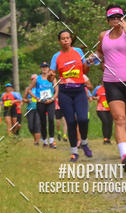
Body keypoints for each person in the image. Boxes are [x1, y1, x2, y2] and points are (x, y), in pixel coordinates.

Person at [95, 6, 126, 172]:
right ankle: (123, 155)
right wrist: (94, 59)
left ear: (123, 18)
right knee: (119, 119)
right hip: (111, 82)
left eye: (119, 17)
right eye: (113, 18)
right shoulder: (104, 36)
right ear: (108, 21)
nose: (116, 20)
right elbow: (99, 54)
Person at [49, 30, 94, 161]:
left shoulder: (78, 52)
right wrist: (51, 76)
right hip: (64, 92)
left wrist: (89, 62)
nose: (66, 40)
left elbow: (85, 69)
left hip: (79, 90)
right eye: (63, 38)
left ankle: (84, 142)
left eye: (68, 38)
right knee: (70, 122)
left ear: (70, 40)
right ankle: (74, 152)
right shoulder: (56, 56)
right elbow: (51, 75)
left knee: (83, 119)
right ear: (59, 41)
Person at [29, 62, 57, 148]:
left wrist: (52, 98)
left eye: (46, 67)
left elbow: (57, 90)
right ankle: (45, 141)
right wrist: (37, 98)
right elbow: (29, 89)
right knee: (43, 121)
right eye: (43, 67)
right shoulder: (37, 79)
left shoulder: (52, 78)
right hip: (41, 102)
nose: (44, 68)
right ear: (41, 68)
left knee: (51, 119)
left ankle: (51, 141)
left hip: (50, 102)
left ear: (48, 68)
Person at [24, 76, 41, 144]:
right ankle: (35, 138)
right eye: (32, 79)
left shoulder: (40, 88)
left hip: (38, 109)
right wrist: (27, 100)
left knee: (37, 125)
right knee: (30, 126)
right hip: (30, 109)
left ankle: (37, 141)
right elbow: (24, 99)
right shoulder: (28, 89)